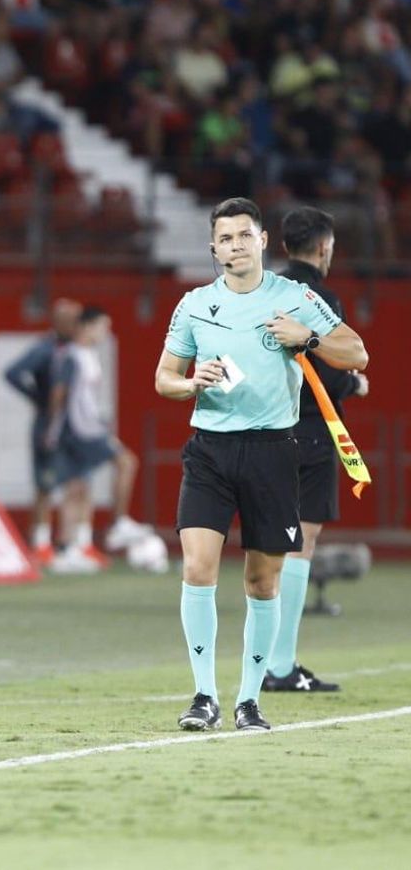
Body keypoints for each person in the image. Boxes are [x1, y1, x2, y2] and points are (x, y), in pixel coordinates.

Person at [156, 197, 367, 733]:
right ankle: (204, 695)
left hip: (274, 451)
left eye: (244, 236)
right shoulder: (194, 305)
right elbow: (164, 378)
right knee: (198, 568)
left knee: (261, 580)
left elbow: (356, 352)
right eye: (225, 239)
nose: (235, 246)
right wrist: (189, 383)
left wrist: (309, 339)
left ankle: (249, 701)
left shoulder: (294, 297)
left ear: (263, 241)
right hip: (210, 450)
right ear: (213, 247)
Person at [268, 207, 364, 693]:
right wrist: (354, 383)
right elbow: (327, 367)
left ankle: (264, 661)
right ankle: (280, 665)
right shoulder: (319, 298)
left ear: (283, 247)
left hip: (265, 431)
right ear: (324, 248)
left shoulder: (264, 291)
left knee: (267, 547)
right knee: (300, 544)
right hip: (310, 430)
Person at [44, 305, 149, 574]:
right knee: (126, 462)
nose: (106, 332)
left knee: (76, 488)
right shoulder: (73, 357)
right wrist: (53, 428)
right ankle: (118, 523)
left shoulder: (86, 355)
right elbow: (59, 393)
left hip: (83, 427)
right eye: (103, 326)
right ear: (86, 327)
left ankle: (66, 549)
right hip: (82, 429)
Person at [3, 298, 80, 564]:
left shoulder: (75, 349)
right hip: (49, 423)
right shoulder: (46, 349)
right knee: (45, 484)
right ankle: (41, 542)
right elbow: (12, 372)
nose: (74, 325)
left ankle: (69, 542)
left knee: (75, 483)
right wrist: (38, 397)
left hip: (73, 425)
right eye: (69, 320)